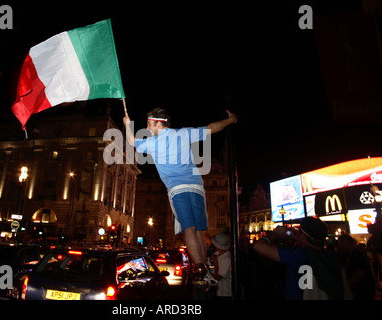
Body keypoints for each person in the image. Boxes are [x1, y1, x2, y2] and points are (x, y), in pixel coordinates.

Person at [123, 107, 237, 279]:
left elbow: (132, 142)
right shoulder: (183, 134)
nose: (146, 128)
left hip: (178, 189)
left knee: (188, 229)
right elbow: (211, 128)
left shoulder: (152, 143)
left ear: (159, 123)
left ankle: (199, 269)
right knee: (199, 230)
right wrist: (231, 120)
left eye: (149, 124)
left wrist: (126, 124)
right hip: (197, 187)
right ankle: (204, 268)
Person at [253, 217, 353, 300]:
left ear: (304, 236)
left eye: (299, 232)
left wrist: (274, 234)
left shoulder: (299, 255)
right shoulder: (333, 257)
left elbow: (258, 246)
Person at [338, 234, 375, 300]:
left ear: (346, 242)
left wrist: (347, 284)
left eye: (341, 244)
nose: (340, 246)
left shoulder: (356, 254)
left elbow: (360, 273)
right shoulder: (353, 254)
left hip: (362, 290)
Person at [209, 232, 232, 299]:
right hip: (218, 291)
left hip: (225, 292)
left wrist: (215, 263)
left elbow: (218, 277)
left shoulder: (226, 258)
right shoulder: (217, 254)